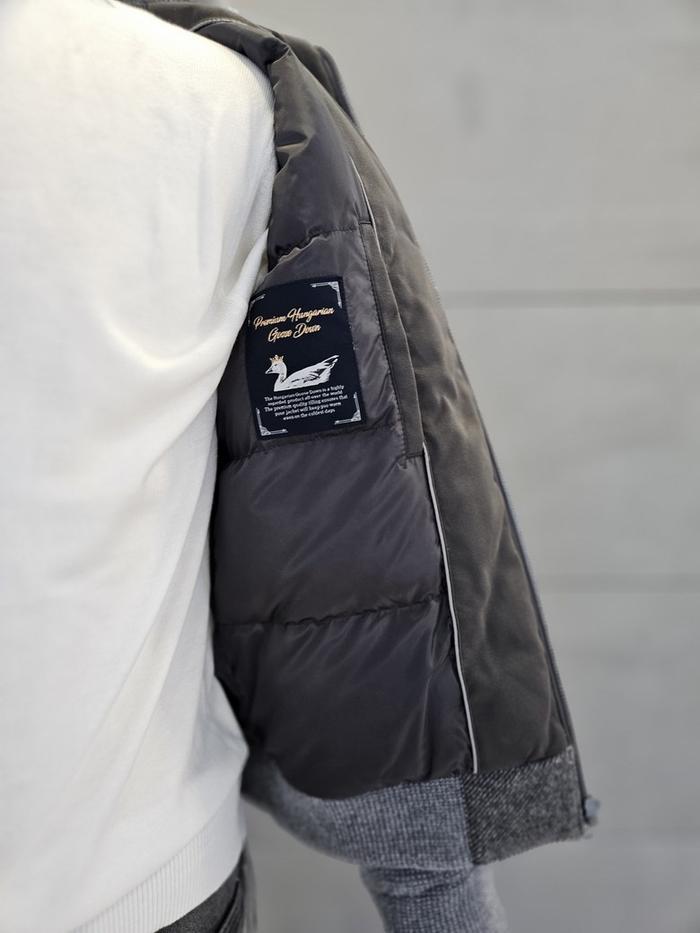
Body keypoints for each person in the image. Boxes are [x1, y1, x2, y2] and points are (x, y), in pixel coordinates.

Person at [0, 1, 509, 930]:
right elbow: (351, 526)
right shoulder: (211, 98)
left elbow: (346, 522)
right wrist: (435, 896)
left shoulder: (222, 102)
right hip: (136, 882)